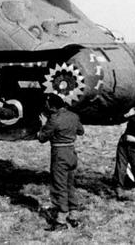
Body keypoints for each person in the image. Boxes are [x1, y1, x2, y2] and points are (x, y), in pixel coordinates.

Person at [37, 95, 85, 231]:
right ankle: (73, 215)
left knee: (59, 186)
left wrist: (42, 125)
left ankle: (61, 220)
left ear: (52, 107)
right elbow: (81, 131)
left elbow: (42, 138)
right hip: (72, 153)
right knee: (70, 185)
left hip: (60, 154)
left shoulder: (53, 119)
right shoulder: (74, 116)